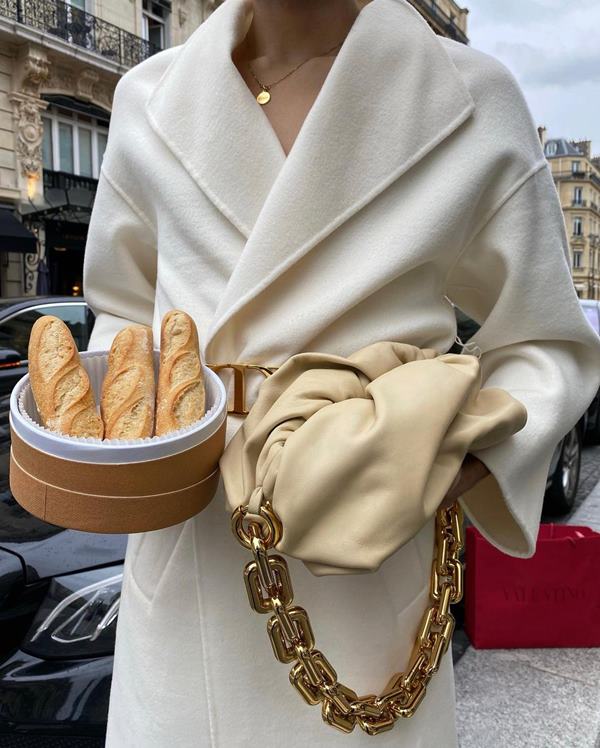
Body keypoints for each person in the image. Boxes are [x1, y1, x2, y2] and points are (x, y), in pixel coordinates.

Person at [82, 0, 600, 745]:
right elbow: (123, 314)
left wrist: (443, 457)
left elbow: (549, 342)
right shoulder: (151, 97)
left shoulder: (466, 99)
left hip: (367, 577)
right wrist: (121, 435)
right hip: (191, 564)